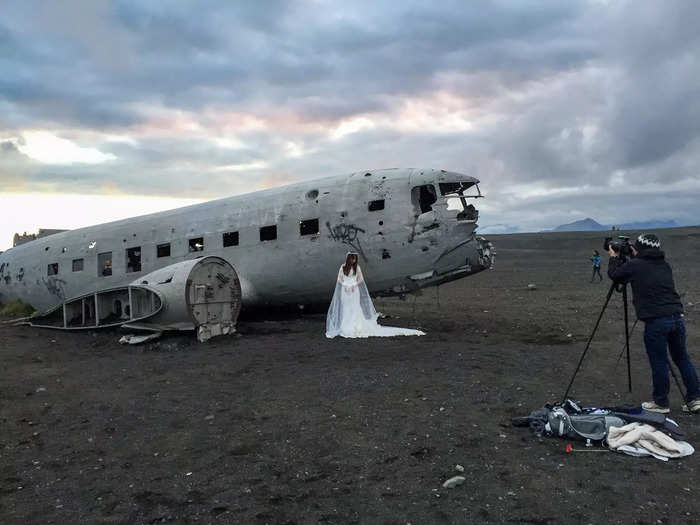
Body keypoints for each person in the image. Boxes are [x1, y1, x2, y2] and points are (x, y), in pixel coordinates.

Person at [608, 233, 700, 413]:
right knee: (682, 358)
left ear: (639, 248)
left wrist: (613, 257)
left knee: (659, 361)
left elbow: (616, 275)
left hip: (657, 321)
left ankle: (661, 403)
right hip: (676, 317)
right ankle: (695, 398)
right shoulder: (664, 265)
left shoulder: (635, 265)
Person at [325, 252, 425, 338]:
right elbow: (339, 280)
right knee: (346, 308)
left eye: (355, 259)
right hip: (345, 291)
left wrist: (353, 285)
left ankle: (356, 326)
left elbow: (360, 280)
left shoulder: (357, 268)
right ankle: (346, 327)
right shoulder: (342, 267)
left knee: (355, 308)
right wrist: (346, 285)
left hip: (355, 290)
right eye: (352, 258)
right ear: (348, 258)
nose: (354, 260)